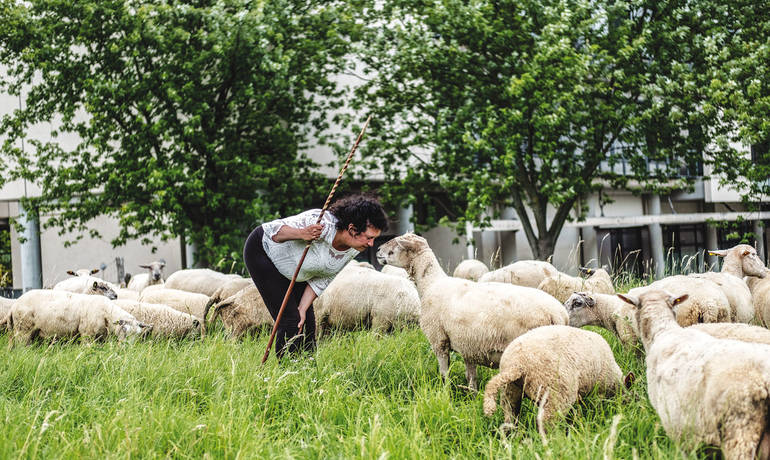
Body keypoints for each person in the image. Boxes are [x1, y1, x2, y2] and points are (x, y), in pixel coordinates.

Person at [243, 194, 388, 358]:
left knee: (306, 324)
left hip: (298, 270)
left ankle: (308, 371)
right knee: (290, 321)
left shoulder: (353, 249)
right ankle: (285, 372)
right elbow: (273, 232)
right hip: (264, 253)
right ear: (352, 229)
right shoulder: (321, 222)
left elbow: (324, 277)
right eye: (369, 238)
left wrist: (303, 308)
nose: (371, 244)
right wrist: (301, 233)